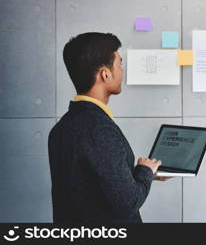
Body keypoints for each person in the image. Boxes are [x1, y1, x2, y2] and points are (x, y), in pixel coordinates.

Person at [48, 32, 169, 224]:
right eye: (120, 63)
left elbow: (92, 185)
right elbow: (127, 202)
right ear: (105, 74)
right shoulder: (98, 129)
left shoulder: (62, 127)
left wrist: (143, 173)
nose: (122, 70)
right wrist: (145, 172)